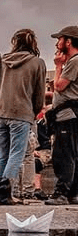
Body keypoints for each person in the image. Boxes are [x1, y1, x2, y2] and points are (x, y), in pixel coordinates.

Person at [0, 29, 46, 203]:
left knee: (1, 153)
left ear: (15, 42)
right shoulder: (37, 63)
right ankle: (8, 193)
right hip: (21, 113)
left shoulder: (3, 61)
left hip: (0, 112)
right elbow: (39, 92)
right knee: (16, 154)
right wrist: (35, 111)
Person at [47, 24, 78, 206]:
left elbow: (60, 86)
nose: (57, 42)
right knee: (74, 153)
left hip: (68, 114)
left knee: (63, 153)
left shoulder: (74, 61)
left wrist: (58, 67)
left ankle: (61, 193)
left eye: (60, 39)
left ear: (68, 41)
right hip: (72, 112)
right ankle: (73, 193)